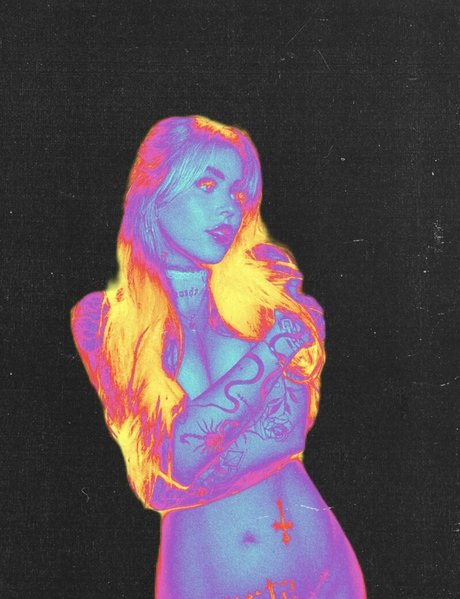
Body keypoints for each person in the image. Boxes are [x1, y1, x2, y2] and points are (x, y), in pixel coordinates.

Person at [71, 116, 366, 598]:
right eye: (207, 185)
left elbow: (286, 432)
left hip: (328, 573)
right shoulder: (103, 321)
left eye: (238, 192)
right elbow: (161, 478)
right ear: (154, 190)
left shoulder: (275, 292)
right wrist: (275, 347)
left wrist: (186, 456)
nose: (229, 207)